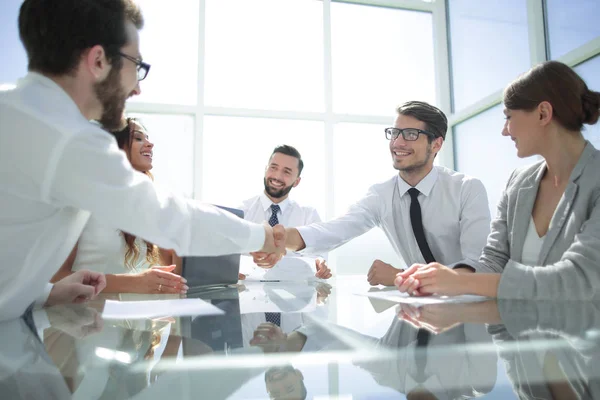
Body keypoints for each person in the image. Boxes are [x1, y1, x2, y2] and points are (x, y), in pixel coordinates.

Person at [0, 0, 284, 321]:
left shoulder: (17, 110)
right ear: (98, 60)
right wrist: (262, 236)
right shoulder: (68, 136)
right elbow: (167, 217)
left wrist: (45, 293)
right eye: (136, 65)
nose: (136, 87)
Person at [395, 61, 600, 300]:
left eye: (509, 117)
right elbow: (494, 261)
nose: (505, 130)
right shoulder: (519, 182)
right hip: (522, 332)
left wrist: (461, 282)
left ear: (543, 113)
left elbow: (579, 278)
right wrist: (441, 277)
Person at [273, 101, 491, 285]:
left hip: (469, 310)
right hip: (419, 312)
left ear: (436, 144)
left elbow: (477, 267)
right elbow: (333, 230)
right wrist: (277, 239)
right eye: (395, 133)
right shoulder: (382, 195)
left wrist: (400, 276)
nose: (397, 143)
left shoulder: (467, 190)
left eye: (411, 134)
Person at [50, 117, 187, 294]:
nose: (150, 144)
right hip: (77, 317)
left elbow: (174, 271)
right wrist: (134, 282)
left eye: (147, 138)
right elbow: (55, 278)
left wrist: (215, 273)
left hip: (126, 318)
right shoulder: (80, 200)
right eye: (138, 138)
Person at [240, 145, 331, 280]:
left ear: (297, 181)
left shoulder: (309, 215)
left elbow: (318, 257)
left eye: (287, 172)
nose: (277, 176)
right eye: (273, 168)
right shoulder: (242, 212)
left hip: (294, 294)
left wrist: (319, 264)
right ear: (266, 170)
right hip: (248, 293)